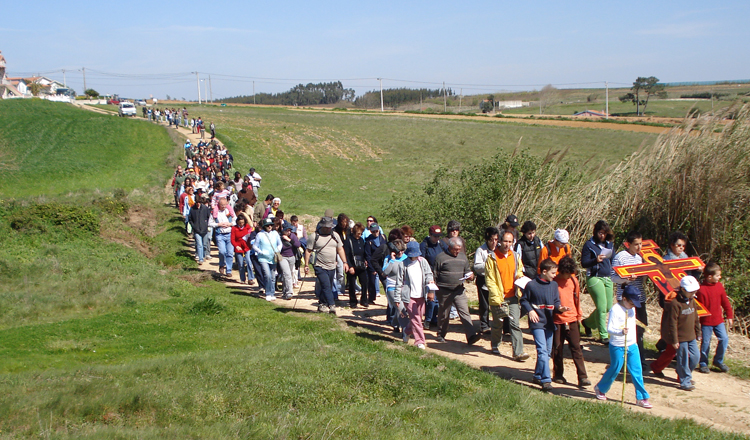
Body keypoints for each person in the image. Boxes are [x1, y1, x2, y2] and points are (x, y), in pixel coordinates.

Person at [594, 284, 652, 409]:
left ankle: (641, 397)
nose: (633, 306)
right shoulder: (615, 310)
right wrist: (620, 332)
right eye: (631, 303)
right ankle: (600, 388)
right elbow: (610, 329)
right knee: (615, 368)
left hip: (632, 344)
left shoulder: (632, 309)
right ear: (624, 299)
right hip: (617, 345)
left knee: (637, 370)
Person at [521, 258, 569, 391]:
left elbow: (556, 302)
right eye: (553, 273)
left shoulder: (553, 285)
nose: (555, 275)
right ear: (544, 272)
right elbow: (524, 300)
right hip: (537, 323)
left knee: (547, 353)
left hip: (549, 323)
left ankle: (537, 375)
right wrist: (530, 311)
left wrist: (560, 308)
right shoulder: (531, 285)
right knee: (542, 351)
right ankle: (546, 380)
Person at [485, 231, 527, 361]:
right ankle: (495, 345)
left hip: (513, 296)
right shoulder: (492, 258)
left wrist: (520, 279)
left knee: (515, 324)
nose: (507, 244)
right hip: (498, 297)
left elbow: (519, 271)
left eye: (510, 242)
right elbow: (490, 280)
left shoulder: (515, 256)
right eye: (505, 241)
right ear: (499, 241)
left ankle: (518, 352)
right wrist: (497, 298)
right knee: (498, 323)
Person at [433, 238, 481, 346]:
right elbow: (435, 274)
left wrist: (471, 276)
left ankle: (471, 336)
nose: (457, 251)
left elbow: (467, 271)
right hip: (444, 290)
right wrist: (434, 289)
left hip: (459, 290)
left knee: (464, 312)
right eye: (455, 249)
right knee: (444, 314)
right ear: (449, 247)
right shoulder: (440, 257)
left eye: (459, 249)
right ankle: (441, 334)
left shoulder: (463, 257)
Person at [552, 256, 590, 387]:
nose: (568, 276)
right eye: (567, 273)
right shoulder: (553, 282)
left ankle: (583, 377)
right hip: (557, 320)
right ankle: (558, 374)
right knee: (558, 348)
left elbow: (577, 298)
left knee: (576, 348)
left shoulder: (574, 280)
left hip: (572, 319)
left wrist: (578, 315)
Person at [612, 231, 648, 361]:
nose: (639, 247)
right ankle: (626, 357)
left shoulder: (640, 257)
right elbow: (613, 277)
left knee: (641, 327)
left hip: (640, 297)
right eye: (636, 244)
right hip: (626, 299)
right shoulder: (620, 257)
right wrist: (626, 279)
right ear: (629, 244)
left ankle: (639, 358)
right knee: (627, 328)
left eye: (640, 244)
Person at [395, 240, 436, 350]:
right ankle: (420, 341)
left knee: (418, 317)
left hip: (421, 295)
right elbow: (399, 282)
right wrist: (397, 298)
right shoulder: (403, 264)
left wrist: (430, 282)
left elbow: (429, 274)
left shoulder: (423, 261)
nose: (415, 256)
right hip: (409, 296)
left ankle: (407, 330)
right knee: (416, 319)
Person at [305, 216, 349, 314]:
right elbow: (308, 251)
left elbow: (340, 249)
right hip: (319, 265)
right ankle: (332, 305)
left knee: (326, 285)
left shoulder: (335, 235)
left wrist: (345, 262)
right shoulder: (314, 236)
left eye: (330, 227)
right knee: (326, 286)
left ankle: (322, 304)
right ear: (322, 226)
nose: (329, 228)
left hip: (332, 266)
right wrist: (306, 265)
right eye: (327, 227)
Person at [581, 220, 616, 343]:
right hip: (594, 277)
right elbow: (584, 263)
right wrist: (595, 260)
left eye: (604, 233)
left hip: (608, 277)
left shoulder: (609, 244)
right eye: (600, 233)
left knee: (608, 307)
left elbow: (613, 259)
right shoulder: (589, 245)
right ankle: (604, 335)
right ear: (595, 232)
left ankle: (587, 323)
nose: (602, 235)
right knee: (601, 307)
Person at [697, 263, 733, 374]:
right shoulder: (701, 290)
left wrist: (729, 315)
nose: (719, 277)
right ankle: (703, 363)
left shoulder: (719, 286)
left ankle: (718, 361)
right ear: (709, 277)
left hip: (718, 320)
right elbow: (699, 308)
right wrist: (697, 324)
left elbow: (725, 302)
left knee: (724, 339)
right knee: (706, 343)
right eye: (717, 275)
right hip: (706, 322)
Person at [420, 225, 448, 329]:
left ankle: (434, 318)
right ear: (430, 235)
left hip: (440, 275)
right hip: (429, 275)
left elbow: (448, 253)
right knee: (431, 298)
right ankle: (427, 320)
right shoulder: (424, 245)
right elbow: (421, 260)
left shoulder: (441, 244)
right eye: (435, 236)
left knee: (438, 300)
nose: (437, 238)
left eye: (438, 236)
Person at [473, 227, 499, 334]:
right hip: (483, 279)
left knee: (498, 303)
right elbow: (476, 266)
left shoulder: (500, 249)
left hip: (497, 280)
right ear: (487, 240)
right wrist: (489, 265)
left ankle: (501, 325)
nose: (494, 242)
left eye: (496, 239)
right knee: (484, 304)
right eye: (491, 240)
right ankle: (484, 325)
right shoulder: (481, 250)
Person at [383, 239, 408, 338]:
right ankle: (405, 331)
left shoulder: (407, 258)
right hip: (392, 287)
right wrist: (392, 260)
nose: (400, 253)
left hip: (404, 286)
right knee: (400, 308)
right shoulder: (388, 259)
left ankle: (395, 323)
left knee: (401, 309)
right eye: (398, 251)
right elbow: (385, 272)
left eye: (402, 250)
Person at [253, 218, 282, 301]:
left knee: (273, 277)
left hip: (273, 258)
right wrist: (261, 252)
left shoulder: (275, 233)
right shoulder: (260, 235)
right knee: (267, 275)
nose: (269, 227)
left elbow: (280, 244)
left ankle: (272, 293)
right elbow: (254, 246)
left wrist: (278, 250)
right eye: (267, 225)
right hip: (263, 258)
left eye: (271, 225)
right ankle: (268, 293)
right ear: (264, 226)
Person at [344, 222, 368, 308]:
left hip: (361, 264)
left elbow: (363, 252)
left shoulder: (361, 240)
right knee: (352, 285)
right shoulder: (348, 240)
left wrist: (365, 260)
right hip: (352, 265)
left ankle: (364, 300)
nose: (359, 235)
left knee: (365, 282)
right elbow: (346, 255)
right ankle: (353, 301)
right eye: (358, 233)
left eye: (361, 233)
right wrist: (350, 266)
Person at [209, 198, 235, 277]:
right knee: (222, 251)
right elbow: (210, 223)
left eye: (225, 205)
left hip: (229, 233)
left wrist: (230, 224)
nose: (223, 206)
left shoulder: (229, 211)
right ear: (218, 204)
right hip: (220, 234)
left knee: (230, 253)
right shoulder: (214, 212)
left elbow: (235, 220)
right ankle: (221, 264)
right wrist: (218, 224)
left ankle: (229, 270)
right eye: (222, 205)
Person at [364, 222, 387, 307]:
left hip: (383, 263)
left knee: (385, 281)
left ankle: (389, 297)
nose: (375, 233)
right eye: (373, 231)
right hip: (373, 263)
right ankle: (371, 298)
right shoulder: (368, 241)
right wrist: (372, 268)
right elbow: (368, 255)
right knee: (372, 282)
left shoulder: (383, 237)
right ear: (370, 231)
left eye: (376, 231)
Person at [231, 213, 255, 285]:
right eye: (240, 223)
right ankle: (242, 279)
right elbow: (232, 239)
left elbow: (251, 233)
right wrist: (236, 246)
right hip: (238, 248)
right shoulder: (234, 228)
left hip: (247, 247)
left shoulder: (247, 227)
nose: (241, 224)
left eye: (242, 222)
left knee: (248, 262)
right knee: (241, 264)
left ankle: (250, 278)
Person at [278, 224, 301, 300]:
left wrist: (289, 240)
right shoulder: (279, 237)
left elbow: (298, 244)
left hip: (292, 257)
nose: (289, 232)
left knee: (289, 274)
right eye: (287, 230)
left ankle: (285, 290)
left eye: (290, 230)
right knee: (287, 274)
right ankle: (289, 293)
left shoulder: (292, 236)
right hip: (282, 257)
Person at [188, 195, 211, 264]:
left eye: (199, 202)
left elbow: (209, 217)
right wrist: (193, 226)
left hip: (204, 230)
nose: (198, 203)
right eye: (197, 202)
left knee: (204, 245)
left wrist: (206, 224)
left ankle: (203, 256)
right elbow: (190, 219)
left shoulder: (205, 208)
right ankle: (200, 259)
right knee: (199, 245)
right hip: (197, 230)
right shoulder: (192, 209)